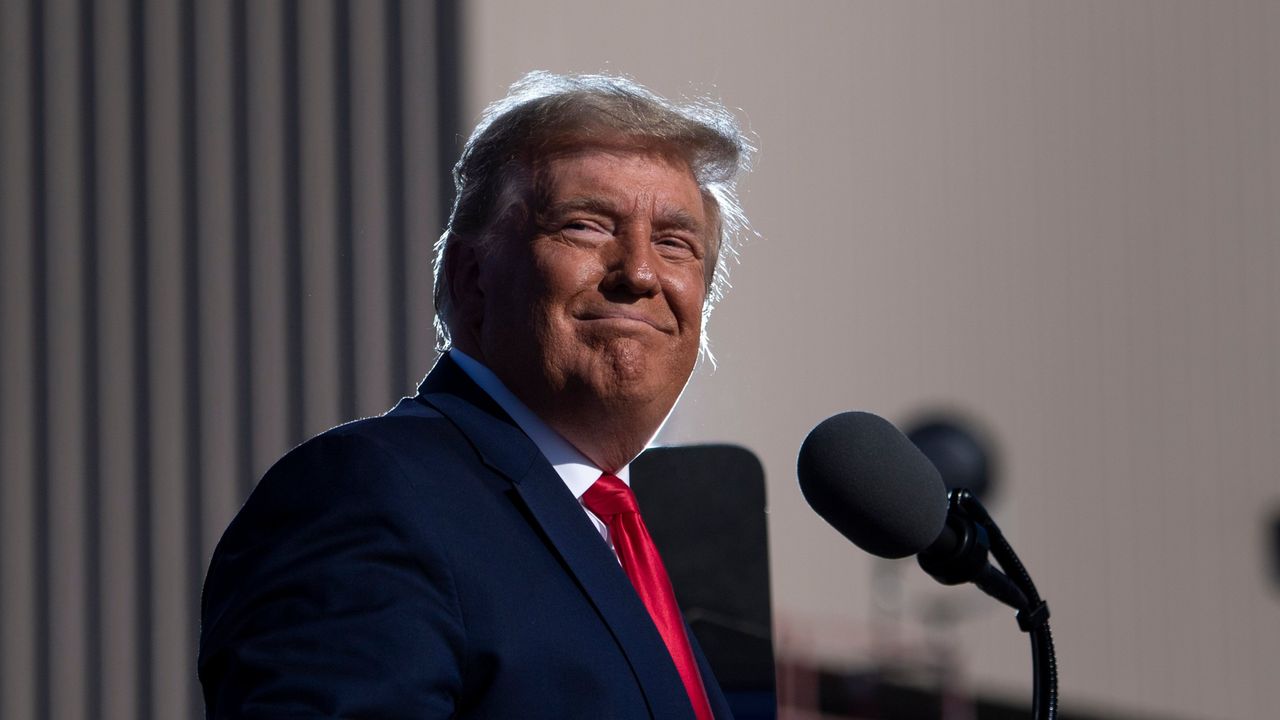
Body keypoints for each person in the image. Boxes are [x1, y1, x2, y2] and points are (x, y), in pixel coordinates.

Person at [198, 71, 754, 720]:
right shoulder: (367, 493)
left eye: (674, 242)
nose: (638, 271)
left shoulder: (646, 545)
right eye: (585, 226)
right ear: (474, 277)